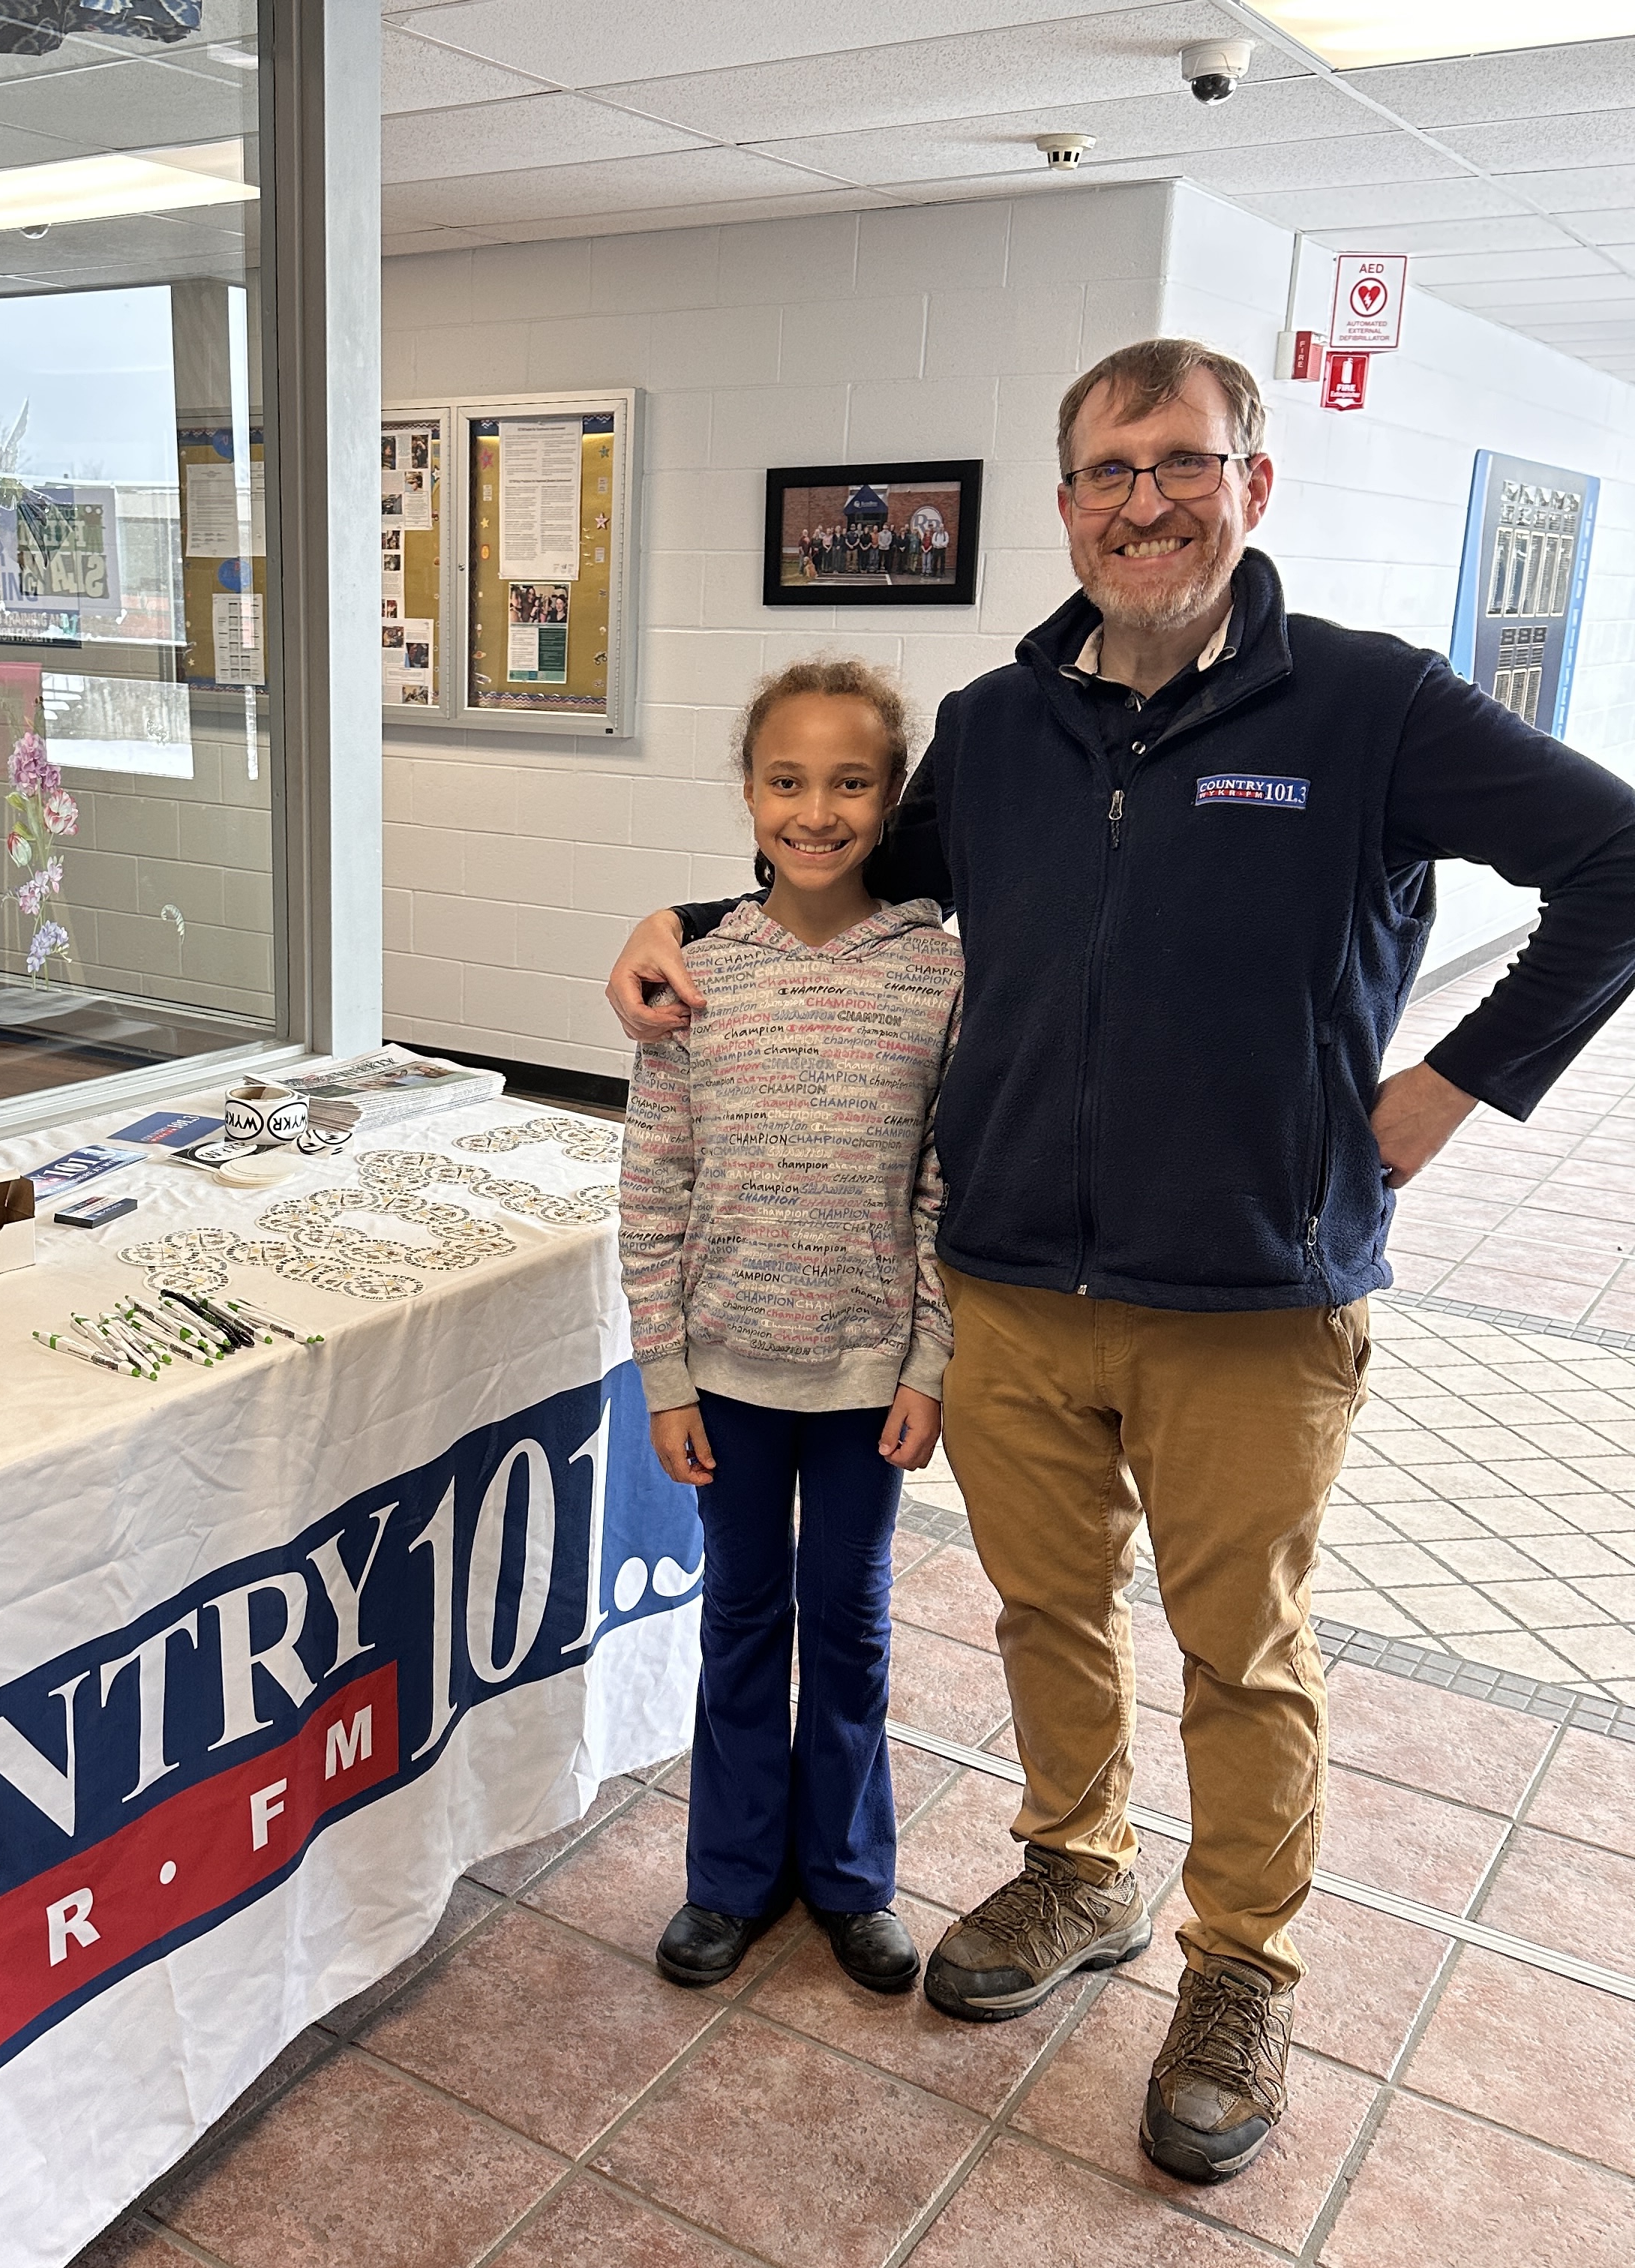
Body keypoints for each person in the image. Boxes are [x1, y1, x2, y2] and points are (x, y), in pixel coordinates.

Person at [605, 336, 1635, 2185]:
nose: (1143, 502)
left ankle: (1241, 1968)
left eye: (1181, 463)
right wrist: (672, 923)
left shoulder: (1370, 708)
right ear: (1066, 501)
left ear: (1256, 481)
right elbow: (845, 893)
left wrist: (1447, 1091)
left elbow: (1621, 859)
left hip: (1251, 1288)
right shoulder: (1002, 729)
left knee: (1240, 1650)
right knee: (1041, 1612)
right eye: (1106, 472)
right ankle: (1078, 1871)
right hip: (1005, 1280)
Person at [619, 656, 962, 1999]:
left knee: (854, 1622)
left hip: (868, 1377)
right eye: (787, 781)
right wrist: (664, 1372)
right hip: (729, 1376)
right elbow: (654, 1184)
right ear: (748, 793)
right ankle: (731, 1876)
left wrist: (928, 1364)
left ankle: (851, 1877)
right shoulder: (693, 978)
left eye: (851, 783)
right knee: (745, 1619)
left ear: (890, 799)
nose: (815, 812)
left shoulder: (937, 977)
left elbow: (944, 1190)